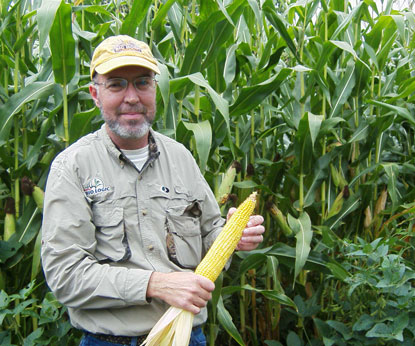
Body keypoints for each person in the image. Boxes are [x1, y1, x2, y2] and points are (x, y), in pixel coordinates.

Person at [41, 35, 265, 346]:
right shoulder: (73, 167)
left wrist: (231, 237)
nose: (132, 97)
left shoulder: (181, 158)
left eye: (143, 83)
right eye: (117, 84)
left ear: (155, 90)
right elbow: (65, 276)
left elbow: (211, 233)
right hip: (109, 341)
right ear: (95, 94)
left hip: (187, 336)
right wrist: (154, 284)